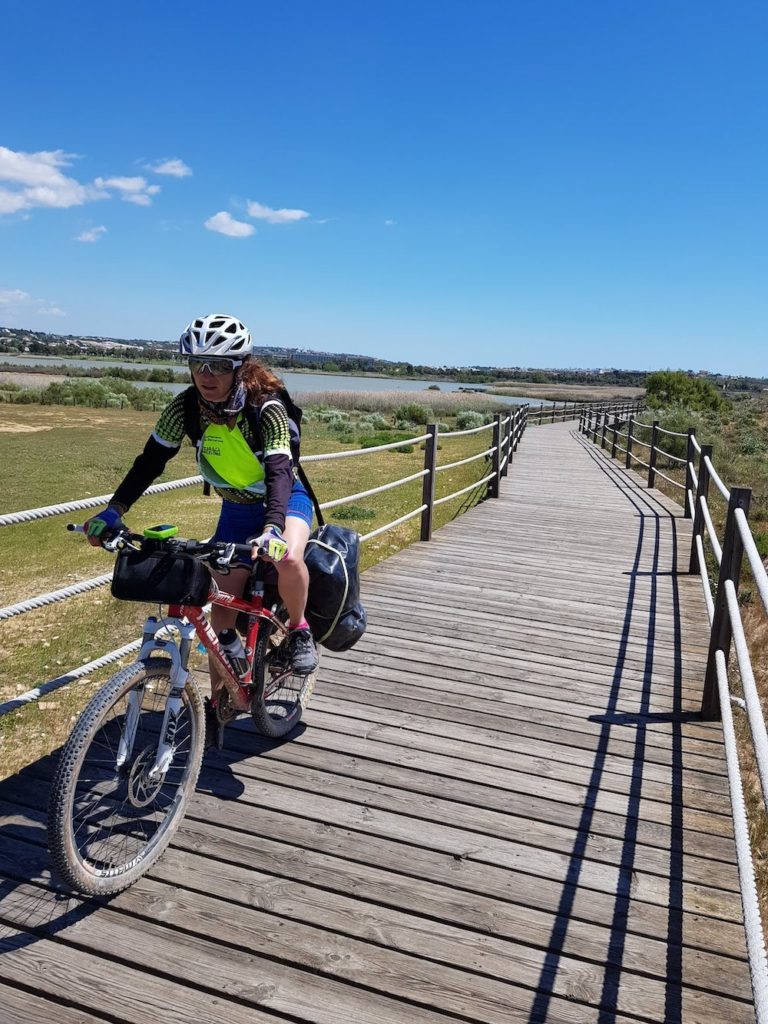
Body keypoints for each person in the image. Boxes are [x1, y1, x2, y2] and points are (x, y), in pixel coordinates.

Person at [84, 312, 319, 712]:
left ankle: (298, 630)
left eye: (219, 366)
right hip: (236, 510)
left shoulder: (268, 408)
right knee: (221, 616)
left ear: (239, 367)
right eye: (197, 364)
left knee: (289, 558)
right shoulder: (185, 408)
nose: (206, 375)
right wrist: (114, 510)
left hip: (284, 502)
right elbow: (151, 461)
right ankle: (219, 700)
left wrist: (274, 529)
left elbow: (280, 470)